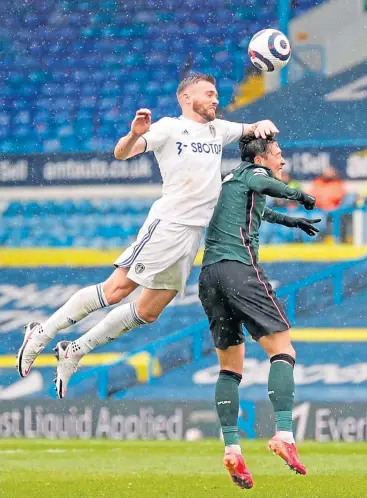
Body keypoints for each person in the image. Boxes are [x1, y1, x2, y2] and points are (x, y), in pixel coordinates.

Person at [16, 73, 279, 399]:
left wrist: (262, 123)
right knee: (116, 290)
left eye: (216, 94)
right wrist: (133, 134)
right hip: (168, 225)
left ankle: (75, 350)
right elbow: (122, 154)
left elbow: (251, 127)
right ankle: (41, 332)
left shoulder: (218, 129)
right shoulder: (169, 127)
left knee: (149, 311)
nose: (215, 99)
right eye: (209, 94)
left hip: (192, 235)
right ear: (186, 98)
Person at [198, 134, 320, 490]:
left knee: (230, 367)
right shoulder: (252, 172)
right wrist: (301, 196)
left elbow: (260, 208)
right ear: (262, 157)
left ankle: (232, 446)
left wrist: (292, 221)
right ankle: (284, 434)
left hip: (209, 276)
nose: (282, 161)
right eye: (279, 154)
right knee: (283, 348)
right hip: (239, 269)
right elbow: (266, 183)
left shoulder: (231, 182)